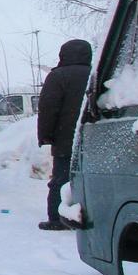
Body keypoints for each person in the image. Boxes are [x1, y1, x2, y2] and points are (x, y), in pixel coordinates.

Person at [37, 39, 93, 231]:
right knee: (90, 178)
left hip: (66, 138)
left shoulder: (58, 76)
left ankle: (56, 218)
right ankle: (91, 217)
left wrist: (45, 135)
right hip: (94, 139)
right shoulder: (96, 73)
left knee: (61, 179)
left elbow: (48, 108)